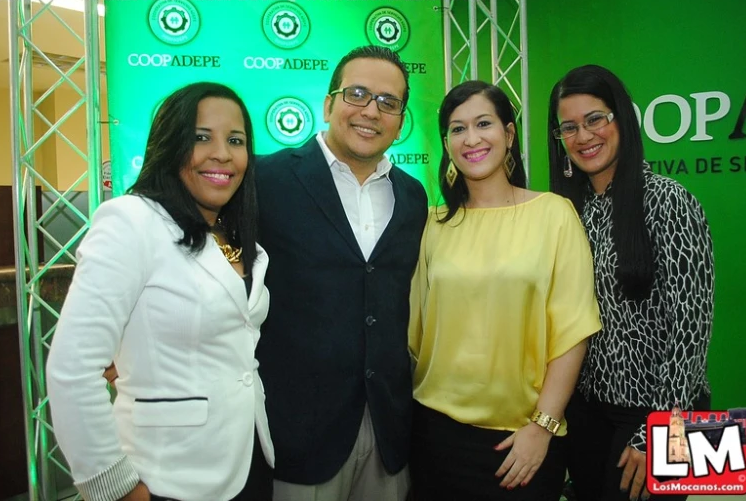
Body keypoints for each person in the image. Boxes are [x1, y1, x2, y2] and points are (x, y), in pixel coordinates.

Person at [46, 82, 274, 501]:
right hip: (165, 476)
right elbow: (72, 370)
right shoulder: (131, 220)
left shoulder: (237, 236)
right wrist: (115, 488)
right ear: (169, 145)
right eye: (201, 137)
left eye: (235, 140)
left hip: (246, 461)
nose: (222, 153)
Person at [408, 80, 602, 501]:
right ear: (446, 142)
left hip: (522, 440)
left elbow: (573, 330)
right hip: (435, 435)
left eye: (483, 124)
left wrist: (543, 426)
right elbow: (415, 333)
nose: (471, 139)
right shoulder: (431, 223)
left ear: (509, 134)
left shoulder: (553, 214)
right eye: (457, 129)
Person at [254, 45, 428, 501]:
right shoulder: (265, 181)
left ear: (401, 118)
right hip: (298, 435)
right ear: (329, 103)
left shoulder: (412, 197)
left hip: (388, 434)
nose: (372, 111)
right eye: (357, 94)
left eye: (388, 102)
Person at [547, 65, 715, 501]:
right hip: (583, 414)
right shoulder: (565, 213)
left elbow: (690, 331)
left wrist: (660, 431)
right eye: (569, 126)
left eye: (595, 119)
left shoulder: (669, 201)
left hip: (656, 416)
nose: (584, 136)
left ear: (622, 118)